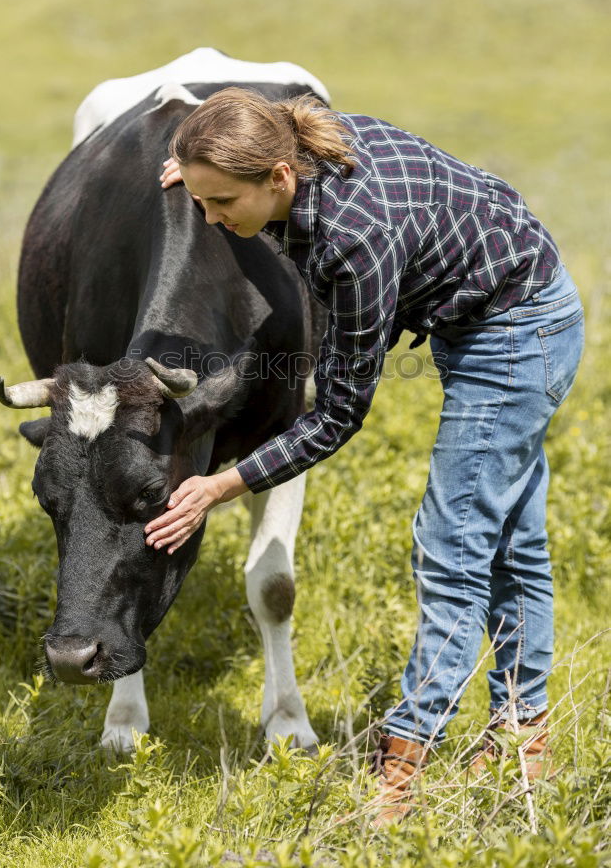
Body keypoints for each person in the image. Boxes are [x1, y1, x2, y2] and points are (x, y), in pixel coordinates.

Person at [143, 88, 584, 823]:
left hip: (516, 332)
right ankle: (523, 732)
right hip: (513, 300)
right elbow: (276, 119)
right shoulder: (311, 140)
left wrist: (224, 484)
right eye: (201, 200)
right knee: (512, 543)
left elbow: (341, 412)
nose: (212, 218)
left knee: (452, 548)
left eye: (221, 202)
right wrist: (199, 174)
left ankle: (403, 767)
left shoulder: (351, 239)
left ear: (279, 177)